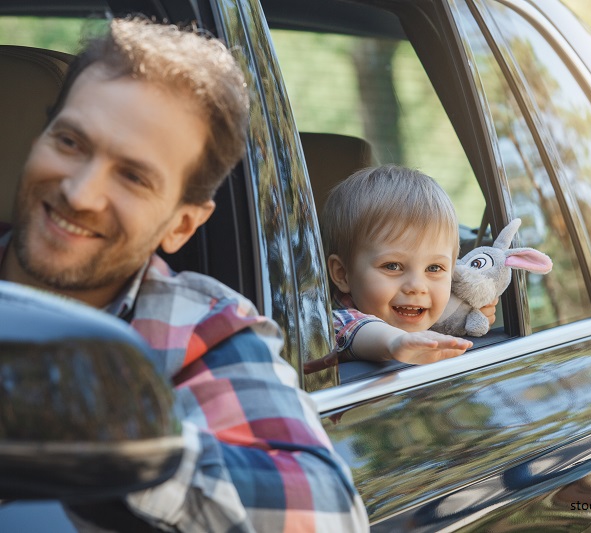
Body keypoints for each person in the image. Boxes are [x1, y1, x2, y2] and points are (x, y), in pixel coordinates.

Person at [0, 18, 369, 532]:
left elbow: (329, 513)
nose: (79, 193)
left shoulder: (201, 330)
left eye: (133, 176)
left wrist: (122, 447)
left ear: (182, 224)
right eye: (69, 142)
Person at [321, 165, 495, 365]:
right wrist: (394, 341)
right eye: (393, 266)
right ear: (342, 274)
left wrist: (467, 318)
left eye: (434, 268)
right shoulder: (326, 324)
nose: (417, 286)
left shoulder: (419, 307)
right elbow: (358, 329)